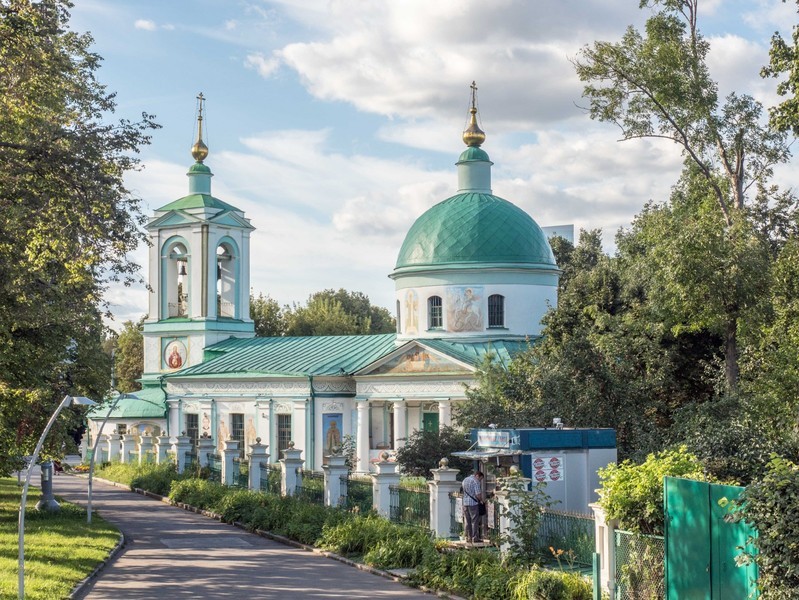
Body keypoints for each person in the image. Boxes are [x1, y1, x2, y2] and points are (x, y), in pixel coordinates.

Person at [462, 469, 484, 543]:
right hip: (473, 503)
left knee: (467, 521)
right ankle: (475, 538)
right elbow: (478, 494)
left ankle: (468, 537)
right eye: (480, 479)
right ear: (478, 476)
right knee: (474, 521)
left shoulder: (465, 480)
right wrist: (481, 500)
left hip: (465, 503)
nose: (480, 481)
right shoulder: (475, 481)